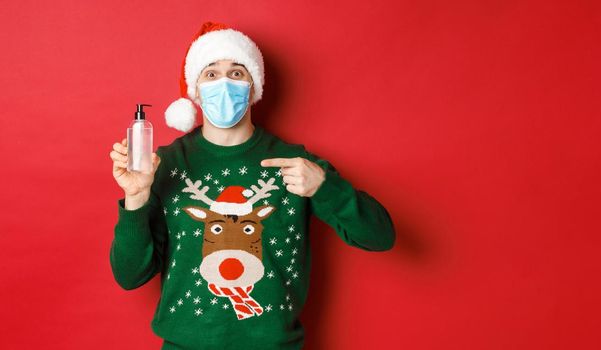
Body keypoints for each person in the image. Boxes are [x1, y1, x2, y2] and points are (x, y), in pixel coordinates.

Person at [108, 21, 395, 350]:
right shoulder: (165, 164)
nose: (225, 84)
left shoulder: (294, 163)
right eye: (211, 74)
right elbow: (129, 277)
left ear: (254, 86)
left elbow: (380, 237)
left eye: (237, 72)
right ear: (196, 90)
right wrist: (136, 197)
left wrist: (325, 187)